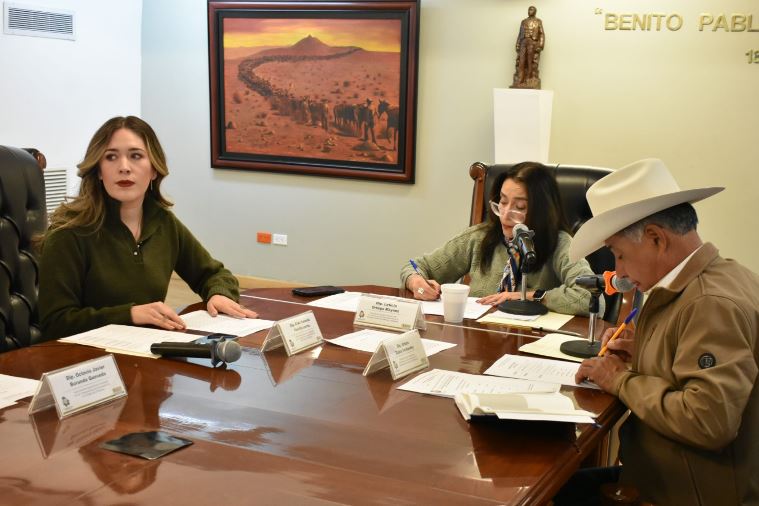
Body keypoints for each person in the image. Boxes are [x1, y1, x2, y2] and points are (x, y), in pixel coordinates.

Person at [560, 158, 759, 505]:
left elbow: (708, 421)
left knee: (545, 490)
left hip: (685, 493)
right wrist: (644, 350)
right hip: (673, 477)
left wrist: (620, 379)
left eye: (619, 255)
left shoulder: (709, 304)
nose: (619, 271)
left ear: (656, 238)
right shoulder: (717, 278)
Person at [38, 116, 257, 340]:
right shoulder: (67, 233)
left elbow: (213, 274)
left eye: (136, 156)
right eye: (111, 157)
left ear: (154, 169)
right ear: (99, 171)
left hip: (146, 350)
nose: (124, 167)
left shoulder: (163, 222)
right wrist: (130, 314)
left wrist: (218, 294)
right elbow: (55, 322)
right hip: (84, 358)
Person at [400, 161, 598, 316]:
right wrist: (416, 282)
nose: (505, 214)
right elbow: (415, 266)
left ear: (542, 211)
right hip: (479, 338)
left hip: (528, 343)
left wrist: (528, 297)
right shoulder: (479, 237)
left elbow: (590, 297)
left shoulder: (560, 243)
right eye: (502, 202)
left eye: (519, 207)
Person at [511, 6, 545, 89]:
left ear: (535, 12)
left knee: (530, 61)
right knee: (521, 61)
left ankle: (529, 79)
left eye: (531, 10)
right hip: (523, 41)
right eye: (529, 9)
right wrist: (517, 44)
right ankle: (520, 80)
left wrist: (541, 45)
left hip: (532, 42)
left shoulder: (538, 21)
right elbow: (520, 34)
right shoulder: (523, 21)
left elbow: (541, 34)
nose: (529, 11)